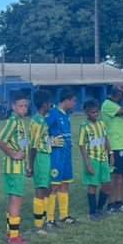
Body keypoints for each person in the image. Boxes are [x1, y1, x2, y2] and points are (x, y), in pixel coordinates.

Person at [0, 91, 31, 244]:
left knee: (14, 199)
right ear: (13, 106)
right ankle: (14, 237)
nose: (24, 108)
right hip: (13, 167)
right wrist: (13, 154)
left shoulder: (20, 121)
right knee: (16, 199)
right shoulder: (13, 121)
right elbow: (0, 140)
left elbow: (22, 144)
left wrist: (27, 163)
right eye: (21, 106)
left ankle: (11, 233)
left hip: (19, 167)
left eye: (26, 106)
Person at [100, 85, 123, 211]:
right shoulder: (108, 104)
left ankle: (118, 201)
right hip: (114, 146)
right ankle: (110, 203)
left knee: (121, 175)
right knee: (113, 176)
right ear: (118, 95)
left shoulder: (117, 106)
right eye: (122, 95)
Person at [47, 88, 78, 225]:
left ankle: (64, 215)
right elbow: (40, 131)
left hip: (66, 155)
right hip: (56, 156)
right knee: (54, 186)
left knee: (65, 184)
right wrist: (49, 142)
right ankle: (49, 219)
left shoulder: (66, 115)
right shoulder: (53, 113)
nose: (75, 104)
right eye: (74, 101)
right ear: (66, 100)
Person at [78, 99, 111, 219]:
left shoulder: (101, 123)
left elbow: (106, 139)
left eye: (97, 112)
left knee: (106, 184)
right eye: (93, 112)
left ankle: (100, 208)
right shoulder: (84, 127)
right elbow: (81, 145)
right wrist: (87, 164)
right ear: (86, 113)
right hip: (92, 159)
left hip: (103, 158)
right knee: (93, 185)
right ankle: (92, 212)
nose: (96, 114)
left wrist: (111, 153)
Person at [28, 90, 55, 231]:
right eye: (49, 102)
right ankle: (39, 225)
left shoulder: (42, 120)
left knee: (48, 188)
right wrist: (30, 165)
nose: (51, 105)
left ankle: (47, 220)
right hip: (40, 157)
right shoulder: (37, 122)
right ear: (44, 104)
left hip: (46, 155)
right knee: (41, 188)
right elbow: (33, 145)